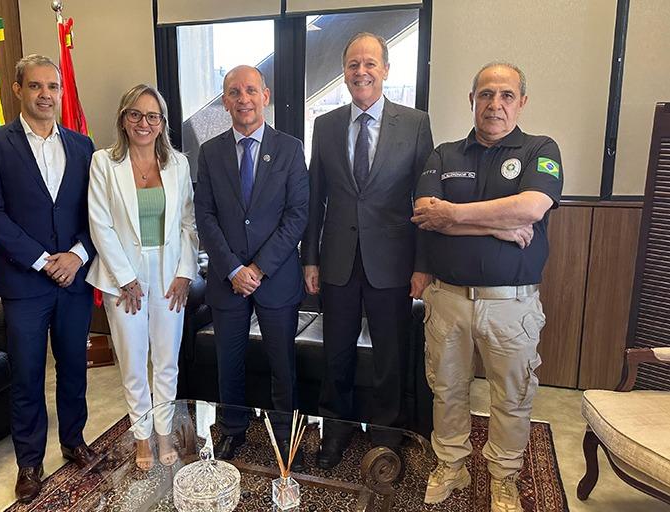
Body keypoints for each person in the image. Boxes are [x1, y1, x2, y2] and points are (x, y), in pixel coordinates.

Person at [411, 62, 563, 512]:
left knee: (512, 397)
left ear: (522, 101)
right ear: (472, 99)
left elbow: (532, 207)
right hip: (448, 301)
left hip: (510, 306)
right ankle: (451, 466)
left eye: (506, 95)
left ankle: (504, 476)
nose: (495, 105)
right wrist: (498, 226)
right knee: (447, 390)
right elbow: (424, 211)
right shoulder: (444, 154)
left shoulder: (541, 149)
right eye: (486, 95)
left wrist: (453, 216)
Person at [300, 32, 434, 469]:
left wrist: (422, 265)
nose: (361, 71)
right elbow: (316, 196)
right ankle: (334, 430)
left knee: (389, 355)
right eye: (353, 64)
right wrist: (310, 258)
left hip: (393, 263)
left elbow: (424, 200)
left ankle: (385, 435)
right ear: (344, 72)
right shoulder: (326, 124)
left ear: (386, 70)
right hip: (337, 258)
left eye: (370, 63)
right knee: (335, 350)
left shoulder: (414, 124)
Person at [0, 54, 98, 503]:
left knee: (73, 369)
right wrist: (45, 260)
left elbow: (95, 213)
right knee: (26, 375)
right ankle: (29, 460)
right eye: (36, 86)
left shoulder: (83, 146)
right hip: (26, 284)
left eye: (53, 87)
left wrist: (78, 256)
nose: (46, 95)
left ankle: (74, 440)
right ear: (17, 90)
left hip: (75, 280)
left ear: (62, 93)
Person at [194, 65, 309, 465]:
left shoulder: (291, 148)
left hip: (274, 277)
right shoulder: (209, 153)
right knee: (230, 361)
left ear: (266, 95)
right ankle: (232, 429)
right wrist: (232, 269)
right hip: (227, 280)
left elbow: (297, 215)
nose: (243, 99)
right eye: (234, 92)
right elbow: (204, 216)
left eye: (250, 91)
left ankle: (283, 431)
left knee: (282, 361)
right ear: (225, 101)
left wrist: (257, 269)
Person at [86, 84, 199, 471]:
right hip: (124, 277)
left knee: (167, 361)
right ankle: (141, 437)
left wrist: (186, 273)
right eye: (135, 114)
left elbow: (189, 224)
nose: (144, 123)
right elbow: (99, 224)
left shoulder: (178, 164)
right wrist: (125, 278)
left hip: (169, 274)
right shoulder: (104, 163)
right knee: (134, 362)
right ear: (123, 118)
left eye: (153, 116)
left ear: (162, 123)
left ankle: (165, 432)